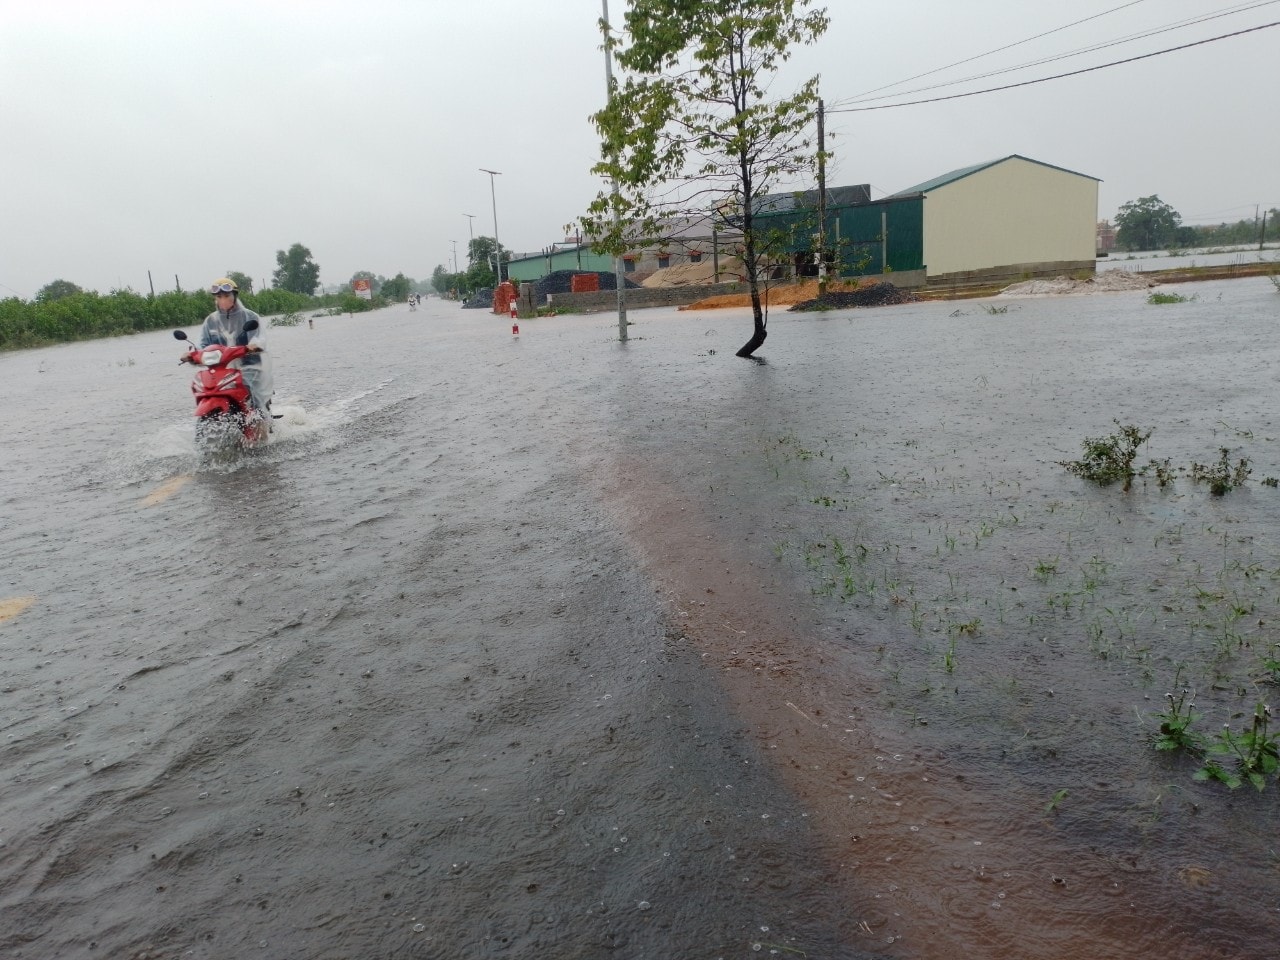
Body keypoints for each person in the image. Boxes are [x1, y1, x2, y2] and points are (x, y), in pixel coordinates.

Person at [199, 278, 273, 417]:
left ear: (234, 296)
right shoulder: (210, 321)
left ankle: (262, 424)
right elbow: (202, 344)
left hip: (249, 368)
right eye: (219, 297)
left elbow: (260, 337)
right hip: (221, 370)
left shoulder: (250, 316)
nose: (223, 300)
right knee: (204, 389)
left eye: (227, 296)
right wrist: (192, 354)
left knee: (253, 398)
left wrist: (254, 345)